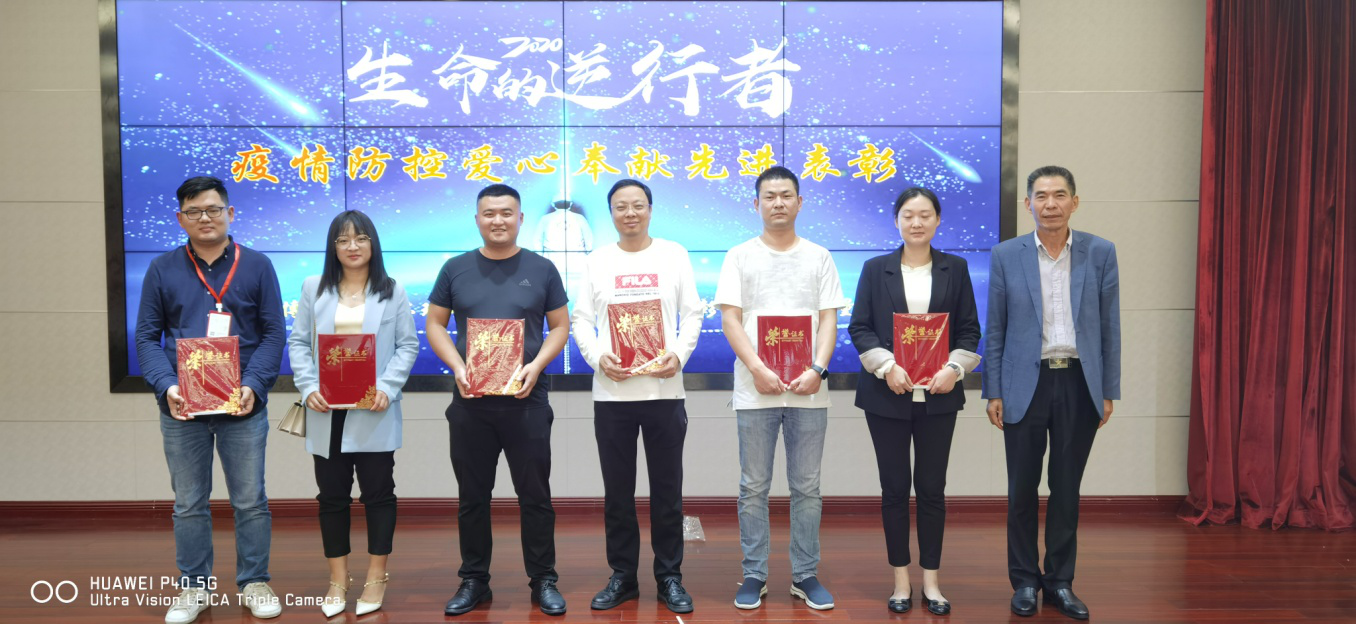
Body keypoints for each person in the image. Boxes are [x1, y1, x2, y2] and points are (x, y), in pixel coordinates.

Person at [134, 176, 285, 624]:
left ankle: (254, 582)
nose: (205, 218)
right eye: (194, 211)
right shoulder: (162, 268)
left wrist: (254, 385)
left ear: (230, 213)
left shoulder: (257, 265)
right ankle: (194, 587)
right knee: (188, 503)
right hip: (182, 408)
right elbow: (146, 337)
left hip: (243, 404)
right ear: (180, 218)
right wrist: (167, 385)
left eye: (214, 209)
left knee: (250, 500)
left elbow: (274, 333)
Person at [983, 166, 1120, 620]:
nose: (1050, 204)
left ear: (1074, 202)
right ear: (1028, 204)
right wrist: (993, 390)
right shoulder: (1007, 255)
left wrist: (1108, 389)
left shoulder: (1100, 252)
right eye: (1041, 196)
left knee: (1066, 489)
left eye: (1060, 195)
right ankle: (1024, 581)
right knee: (1021, 488)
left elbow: (1110, 327)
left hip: (1079, 382)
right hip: (1025, 383)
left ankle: (1060, 581)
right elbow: (996, 328)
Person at [427, 184, 570, 617]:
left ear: (520, 218)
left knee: (535, 496)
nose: (498, 220)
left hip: (527, 401)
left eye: (507, 213)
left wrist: (537, 365)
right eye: (489, 213)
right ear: (477, 219)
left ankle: (543, 579)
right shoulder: (455, 268)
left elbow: (560, 326)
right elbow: (435, 324)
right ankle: (474, 580)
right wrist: (457, 366)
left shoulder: (542, 268)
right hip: (471, 402)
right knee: (472, 496)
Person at [714, 165, 845, 611]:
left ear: (800, 202)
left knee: (807, 487)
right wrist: (757, 368)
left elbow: (829, 318)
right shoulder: (739, 256)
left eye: (786, 195)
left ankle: (805, 574)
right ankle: (754, 574)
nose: (778, 203)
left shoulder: (819, 256)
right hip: (755, 391)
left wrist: (818, 369)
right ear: (756, 204)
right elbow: (730, 318)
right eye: (769, 196)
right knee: (754, 486)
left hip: (809, 390)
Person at [570, 179, 702, 614]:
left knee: (667, 491)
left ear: (650, 209)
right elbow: (581, 319)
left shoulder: (673, 254)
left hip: (665, 391)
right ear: (611, 213)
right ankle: (623, 576)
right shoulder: (597, 261)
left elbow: (692, 313)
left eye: (638, 205)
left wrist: (678, 355)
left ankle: (670, 577)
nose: (630, 213)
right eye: (621, 206)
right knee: (617, 493)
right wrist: (597, 358)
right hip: (612, 394)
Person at [848, 187, 982, 615]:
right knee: (893, 489)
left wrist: (954, 369)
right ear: (897, 221)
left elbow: (969, 329)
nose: (917, 222)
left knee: (932, 489)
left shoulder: (955, 268)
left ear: (938, 220)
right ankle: (901, 581)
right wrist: (887, 366)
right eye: (908, 215)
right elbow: (860, 327)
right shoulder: (876, 269)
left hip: (939, 395)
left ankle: (932, 582)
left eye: (925, 215)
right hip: (886, 394)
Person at [288, 210, 418, 617]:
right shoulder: (314, 287)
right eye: (343, 240)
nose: (352, 246)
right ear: (333, 247)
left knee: (378, 495)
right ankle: (337, 580)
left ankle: (376, 577)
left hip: (373, 408)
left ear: (373, 244)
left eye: (361, 238)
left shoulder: (392, 290)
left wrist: (387, 388)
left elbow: (407, 345)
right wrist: (308, 387)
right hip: (327, 410)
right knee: (332, 498)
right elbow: (299, 343)